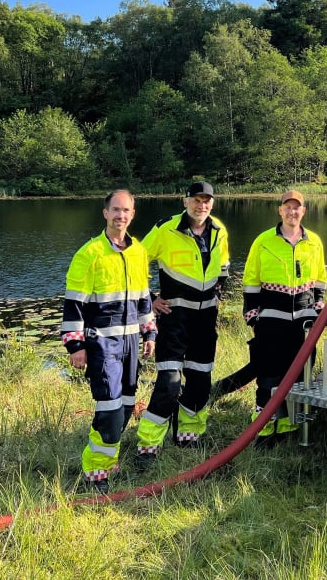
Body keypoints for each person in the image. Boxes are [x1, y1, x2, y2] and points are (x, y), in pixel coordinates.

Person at [61, 190, 156, 493]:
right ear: (105, 213)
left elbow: (143, 297)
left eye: (126, 210)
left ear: (132, 214)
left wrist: (149, 331)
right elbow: (74, 303)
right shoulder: (89, 254)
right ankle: (95, 472)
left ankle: (109, 458)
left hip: (130, 341)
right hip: (102, 343)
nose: (121, 216)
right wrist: (75, 346)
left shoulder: (138, 252)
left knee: (127, 401)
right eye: (115, 210)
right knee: (110, 406)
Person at [214, 190, 327, 437]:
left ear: (304, 211)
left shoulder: (314, 242)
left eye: (297, 207)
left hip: (303, 323)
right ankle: (263, 429)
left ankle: (288, 426)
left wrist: (318, 305)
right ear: (280, 210)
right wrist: (252, 314)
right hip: (271, 321)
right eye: (287, 207)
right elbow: (251, 280)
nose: (292, 212)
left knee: (297, 376)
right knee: (267, 377)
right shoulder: (263, 241)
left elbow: (320, 279)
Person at [135, 181, 229, 469]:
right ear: (185, 201)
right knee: (169, 381)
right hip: (174, 319)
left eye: (207, 201)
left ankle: (188, 434)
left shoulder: (219, 230)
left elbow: (223, 266)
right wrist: (150, 299)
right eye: (197, 200)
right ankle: (148, 444)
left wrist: (218, 292)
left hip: (204, 320)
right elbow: (135, 261)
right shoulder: (166, 229)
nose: (202, 206)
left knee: (200, 379)